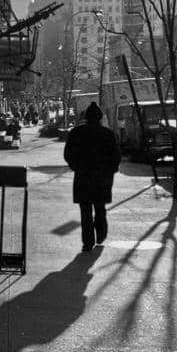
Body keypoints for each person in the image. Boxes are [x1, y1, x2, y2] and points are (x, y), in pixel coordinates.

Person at [63, 101, 121, 252]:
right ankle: (101, 234)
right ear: (100, 117)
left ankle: (87, 242)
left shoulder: (76, 132)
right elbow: (115, 156)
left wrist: (75, 167)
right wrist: (111, 171)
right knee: (100, 207)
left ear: (86, 117)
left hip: (83, 177)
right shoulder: (108, 134)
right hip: (102, 178)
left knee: (85, 211)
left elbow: (68, 154)